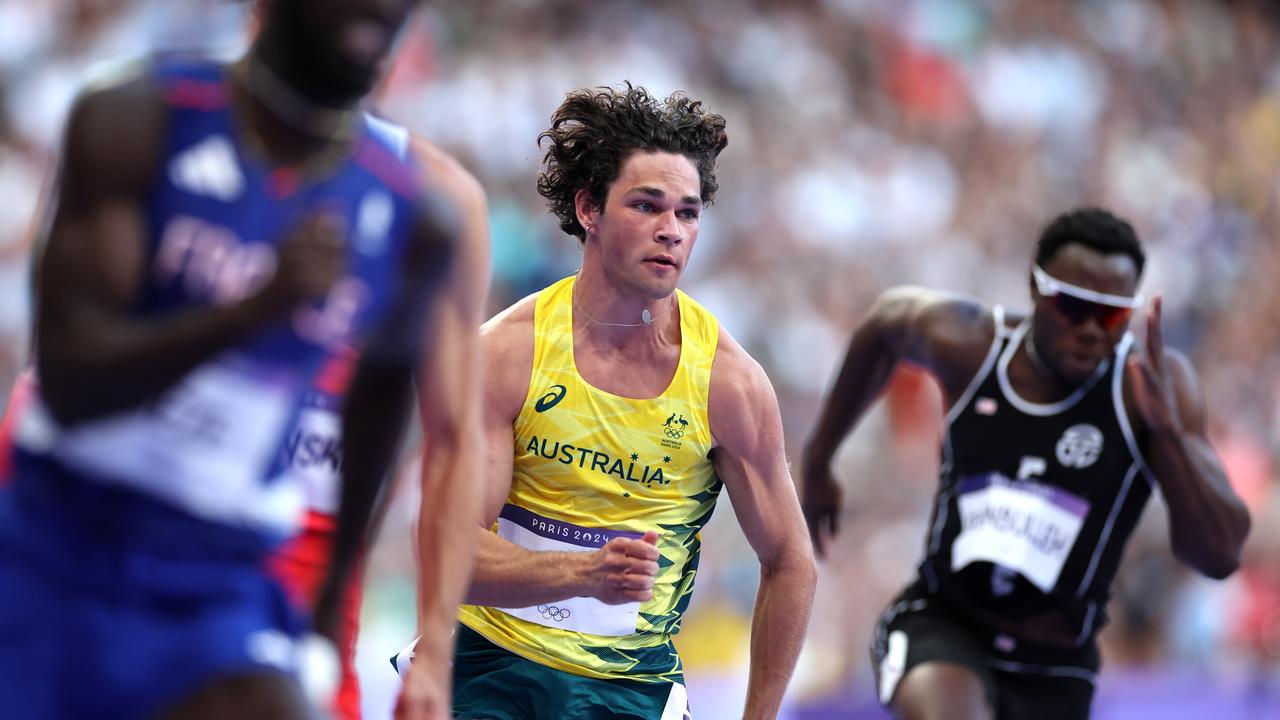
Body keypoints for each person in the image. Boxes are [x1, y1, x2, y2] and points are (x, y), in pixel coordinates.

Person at [0, 0, 480, 717]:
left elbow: (384, 406)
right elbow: (71, 383)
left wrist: (332, 598)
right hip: (58, 534)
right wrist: (251, 310)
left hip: (218, 573)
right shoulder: (134, 119)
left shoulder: (416, 215)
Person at [394, 83, 817, 720]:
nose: (671, 232)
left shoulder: (729, 384)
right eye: (647, 206)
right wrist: (585, 573)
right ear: (589, 208)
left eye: (688, 213)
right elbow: (448, 551)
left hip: (630, 690)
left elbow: (790, 562)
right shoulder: (506, 355)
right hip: (486, 665)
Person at [801, 207, 1251, 720]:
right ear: (1035, 289)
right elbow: (886, 322)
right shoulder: (973, 346)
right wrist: (820, 459)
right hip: (943, 625)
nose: (1088, 330)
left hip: (1056, 667)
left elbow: (1219, 557)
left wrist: (1170, 436)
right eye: (1072, 306)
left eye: (1109, 315)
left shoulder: (1146, 387)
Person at [272, 129, 491, 720]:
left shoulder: (440, 198)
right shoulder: (173, 120)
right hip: (173, 547)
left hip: (322, 582)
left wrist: (437, 652)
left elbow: (452, 442)